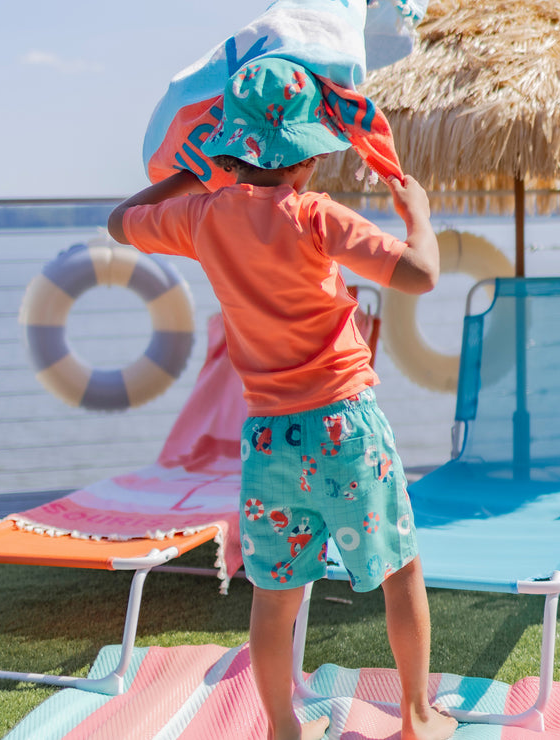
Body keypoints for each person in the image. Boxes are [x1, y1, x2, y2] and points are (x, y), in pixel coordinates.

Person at [109, 58, 456, 740]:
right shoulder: (315, 217)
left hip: (270, 440)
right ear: (303, 161)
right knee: (400, 569)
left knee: (275, 595)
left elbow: (122, 223)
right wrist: (419, 217)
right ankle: (417, 717)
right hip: (344, 427)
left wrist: (193, 169)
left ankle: (279, 726)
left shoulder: (202, 217)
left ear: (232, 151)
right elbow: (420, 275)